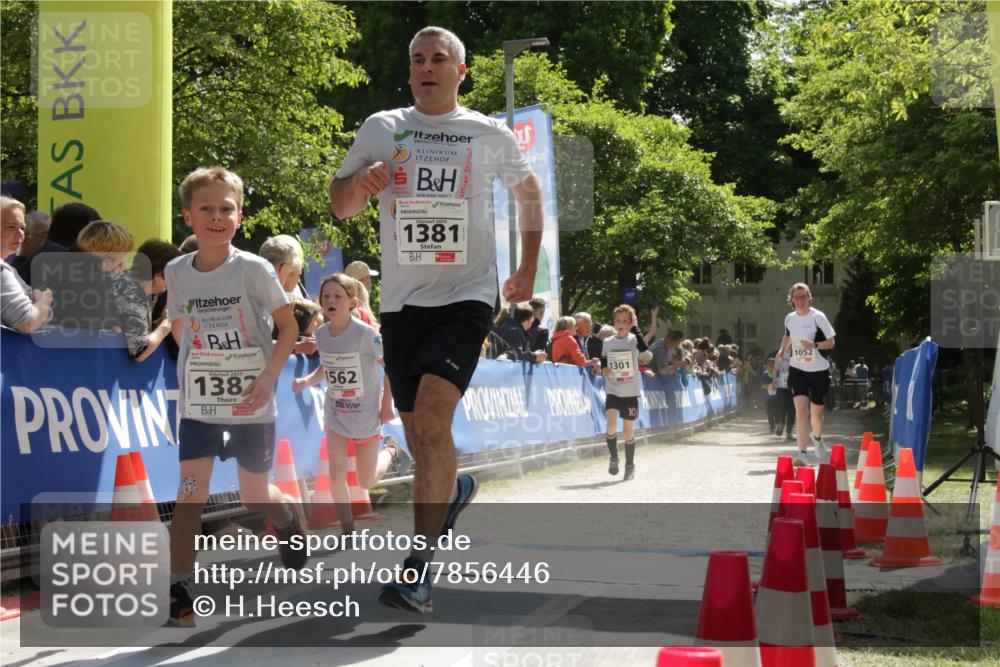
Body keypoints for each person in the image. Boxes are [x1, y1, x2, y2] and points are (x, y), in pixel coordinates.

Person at [327, 26, 542, 613]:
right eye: (417, 59)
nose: (426, 67)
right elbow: (340, 204)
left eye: (438, 59)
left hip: (466, 296)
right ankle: (451, 494)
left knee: (431, 416)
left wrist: (525, 270)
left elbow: (529, 196)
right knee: (420, 431)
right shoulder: (383, 126)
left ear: (459, 72)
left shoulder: (488, 133)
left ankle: (418, 567)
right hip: (400, 303)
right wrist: (363, 185)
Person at [165, 166, 304, 627]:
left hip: (251, 399)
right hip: (201, 402)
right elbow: (180, 320)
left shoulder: (254, 268)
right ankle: (180, 588)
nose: (217, 216)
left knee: (254, 491)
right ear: (188, 216)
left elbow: (288, 328)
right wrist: (201, 356)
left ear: (239, 218)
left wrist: (266, 376)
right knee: (190, 493)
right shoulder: (176, 270)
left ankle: (284, 519)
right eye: (207, 208)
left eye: (226, 209)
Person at [292, 274, 399, 537]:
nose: (330, 300)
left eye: (337, 296)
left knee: (366, 480)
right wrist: (307, 380)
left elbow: (392, 368)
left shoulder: (366, 335)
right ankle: (347, 525)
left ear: (351, 302)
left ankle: (392, 450)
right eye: (326, 296)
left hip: (365, 414)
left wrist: (387, 404)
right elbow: (327, 367)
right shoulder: (321, 334)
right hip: (337, 413)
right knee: (335, 471)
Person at [777, 282, 836, 464]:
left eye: (803, 297)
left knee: (816, 415)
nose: (800, 300)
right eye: (797, 297)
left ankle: (817, 438)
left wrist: (815, 345)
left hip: (819, 370)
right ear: (791, 299)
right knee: (801, 412)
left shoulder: (818, 317)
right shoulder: (790, 318)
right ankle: (802, 454)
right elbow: (788, 335)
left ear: (809, 298)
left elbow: (831, 342)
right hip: (798, 369)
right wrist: (782, 350)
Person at [109, 238, 182, 361]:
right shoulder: (130, 291)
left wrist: (159, 324)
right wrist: (166, 324)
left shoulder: (133, 284)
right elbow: (139, 352)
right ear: (158, 276)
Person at [1, 197, 53, 333]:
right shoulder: (2, 270)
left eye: (22, 228)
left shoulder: (9, 269)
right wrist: (44, 302)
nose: (20, 234)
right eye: (11, 227)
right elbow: (27, 322)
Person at [602, 305, 642, 480]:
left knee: (627, 430)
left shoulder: (634, 340)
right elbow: (604, 359)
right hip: (613, 389)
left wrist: (637, 327)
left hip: (630, 391)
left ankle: (630, 465)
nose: (621, 324)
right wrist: (604, 369)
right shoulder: (608, 342)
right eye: (618, 320)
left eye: (625, 321)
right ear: (613, 322)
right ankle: (613, 458)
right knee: (610, 425)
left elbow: (645, 347)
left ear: (631, 322)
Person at [773, 349, 795, 439]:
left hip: (794, 386)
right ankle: (780, 423)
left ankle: (789, 433)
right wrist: (774, 379)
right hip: (782, 385)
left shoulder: (798, 352)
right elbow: (775, 368)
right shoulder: (780, 354)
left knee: (792, 411)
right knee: (782, 406)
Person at [761, 356, 778, 433]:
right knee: (769, 413)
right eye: (769, 365)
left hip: (777, 397)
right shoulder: (765, 374)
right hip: (768, 397)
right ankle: (772, 427)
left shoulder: (778, 373)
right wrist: (771, 385)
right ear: (767, 366)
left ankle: (777, 422)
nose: (771, 366)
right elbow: (763, 385)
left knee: (777, 412)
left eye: (773, 365)